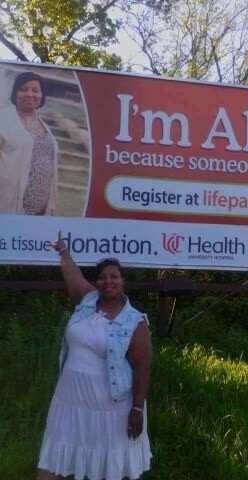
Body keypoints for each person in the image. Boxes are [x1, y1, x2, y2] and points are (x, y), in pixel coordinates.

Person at [37, 231, 152, 480]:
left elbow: (143, 366)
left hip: (111, 408)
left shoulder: (135, 321)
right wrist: (63, 250)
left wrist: (137, 409)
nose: (107, 281)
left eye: (114, 277)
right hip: (69, 400)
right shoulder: (87, 300)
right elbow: (73, 274)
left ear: (123, 281)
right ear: (96, 282)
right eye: (101, 278)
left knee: (107, 466)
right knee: (54, 459)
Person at [0, 71, 58, 215]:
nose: (30, 94)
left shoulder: (44, 126)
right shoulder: (3, 119)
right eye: (23, 89)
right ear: (15, 93)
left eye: (35, 90)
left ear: (42, 95)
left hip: (40, 213)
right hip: (8, 207)